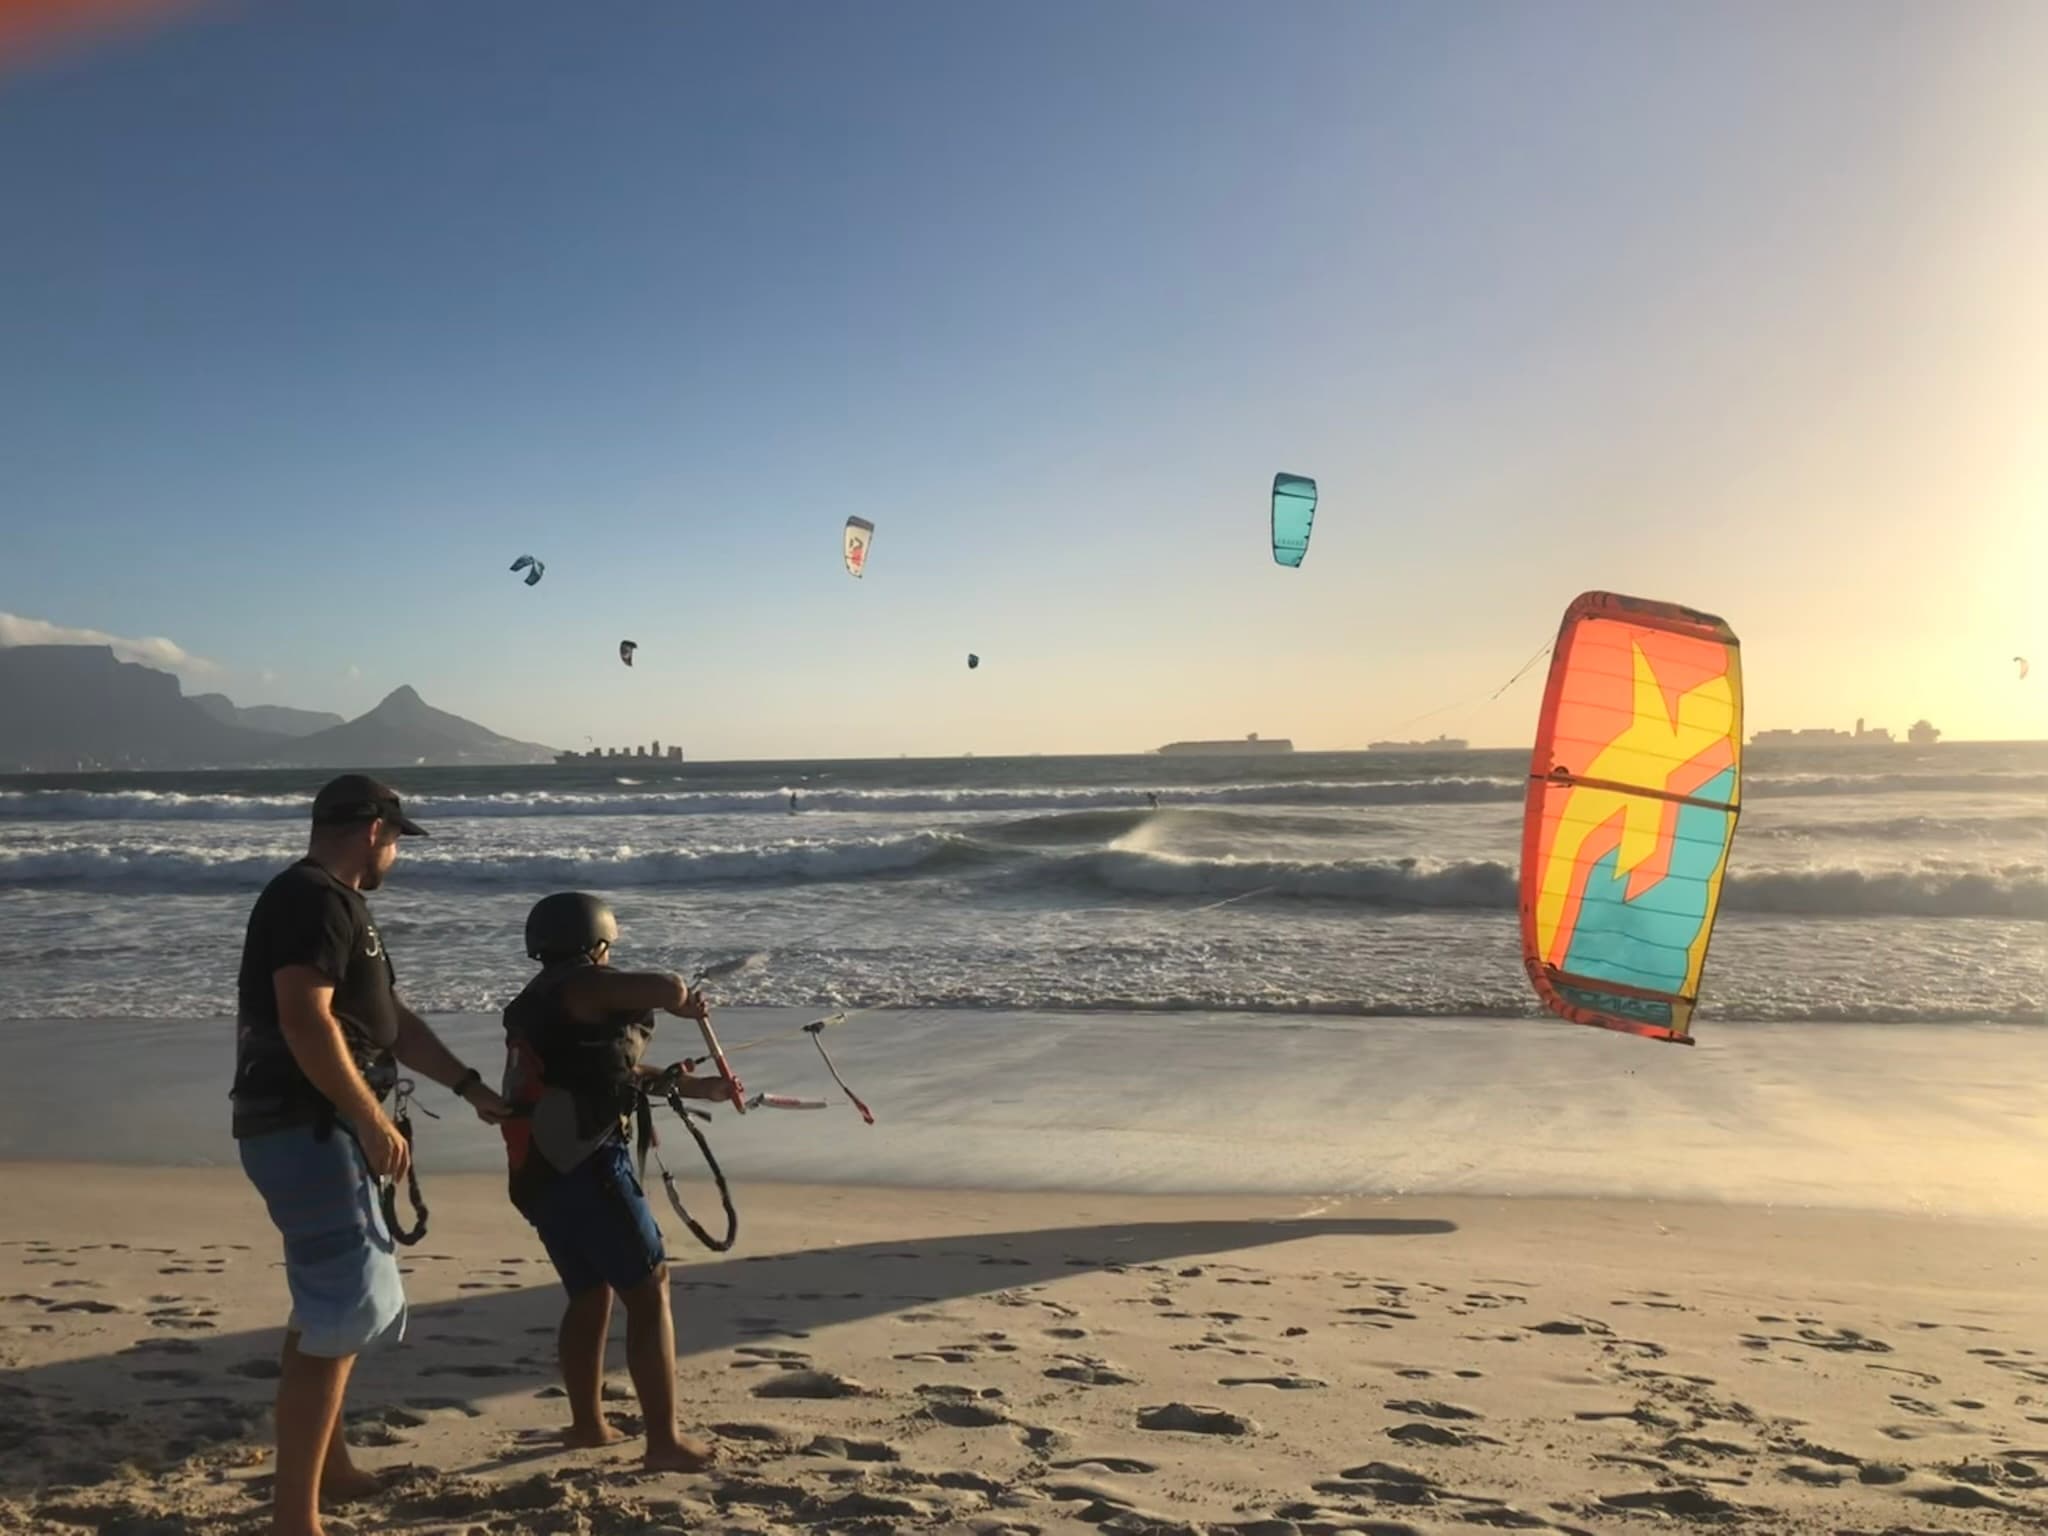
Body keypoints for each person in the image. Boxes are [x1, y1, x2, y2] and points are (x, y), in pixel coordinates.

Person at [232, 774, 510, 1536]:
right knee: (345, 1308)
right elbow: (305, 1020)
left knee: (326, 1310)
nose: (397, 855)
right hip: (309, 1127)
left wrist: (468, 1086)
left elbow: (387, 1022)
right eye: (396, 839)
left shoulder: (336, 903)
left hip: (314, 1126)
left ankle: (331, 1470)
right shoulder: (313, 899)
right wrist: (369, 1119)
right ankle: (296, 1519)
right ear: (375, 831)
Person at [501, 892, 739, 1470]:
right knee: (649, 1290)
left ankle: (587, 1425)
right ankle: (664, 1442)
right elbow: (665, 986)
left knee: (589, 1293)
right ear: (596, 943)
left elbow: (614, 1071)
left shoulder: (543, 999)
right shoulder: (581, 986)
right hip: (587, 1167)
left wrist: (697, 1087)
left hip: (540, 1172)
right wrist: (682, 999)